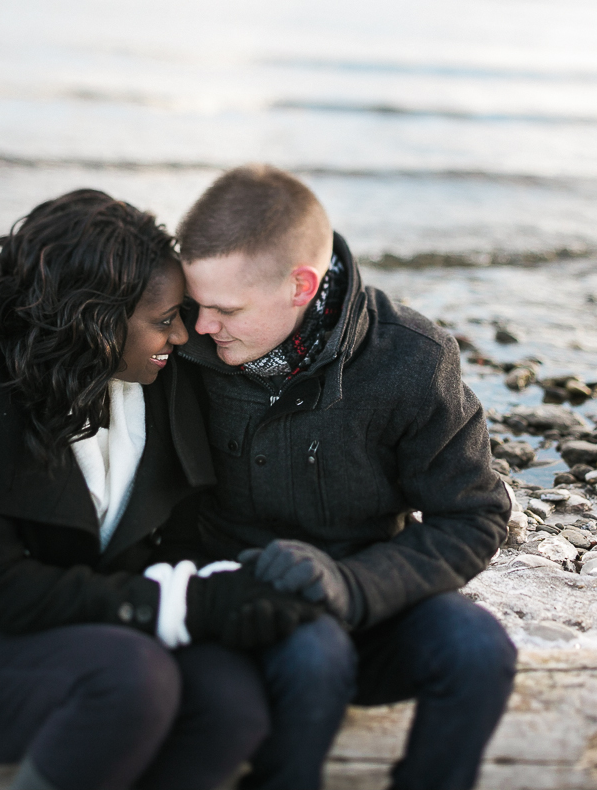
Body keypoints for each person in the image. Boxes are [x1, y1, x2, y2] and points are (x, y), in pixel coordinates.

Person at [0, 189, 319, 790]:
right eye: (164, 321)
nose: (185, 335)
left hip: (105, 623)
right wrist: (176, 605)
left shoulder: (160, 380)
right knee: (130, 679)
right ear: (96, 322)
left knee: (232, 702)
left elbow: (181, 531)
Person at [173, 164, 517, 790]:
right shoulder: (180, 350)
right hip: (233, 604)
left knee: (478, 650)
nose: (201, 326)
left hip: (369, 594)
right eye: (196, 305)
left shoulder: (409, 358)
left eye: (224, 309)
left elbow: (475, 513)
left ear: (302, 284)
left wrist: (353, 585)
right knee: (313, 653)